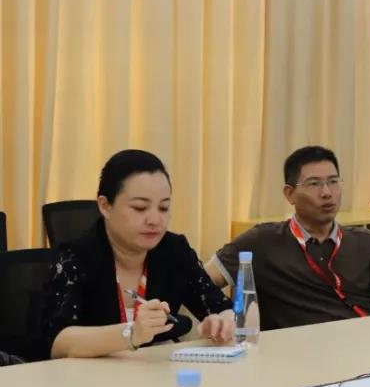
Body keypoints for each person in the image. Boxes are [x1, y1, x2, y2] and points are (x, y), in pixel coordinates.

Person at [204, 146, 370, 330]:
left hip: (362, 344)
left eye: (333, 182)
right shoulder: (262, 240)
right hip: (295, 355)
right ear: (289, 194)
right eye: (314, 184)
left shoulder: (366, 241)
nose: (327, 192)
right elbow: (203, 280)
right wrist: (225, 315)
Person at [42, 150, 236, 359]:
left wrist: (223, 322)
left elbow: (221, 307)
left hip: (156, 372)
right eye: (140, 208)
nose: (155, 220)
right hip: (91, 375)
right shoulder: (75, 256)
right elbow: (57, 343)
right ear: (105, 206)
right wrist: (132, 333)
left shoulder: (174, 250)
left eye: (163, 208)